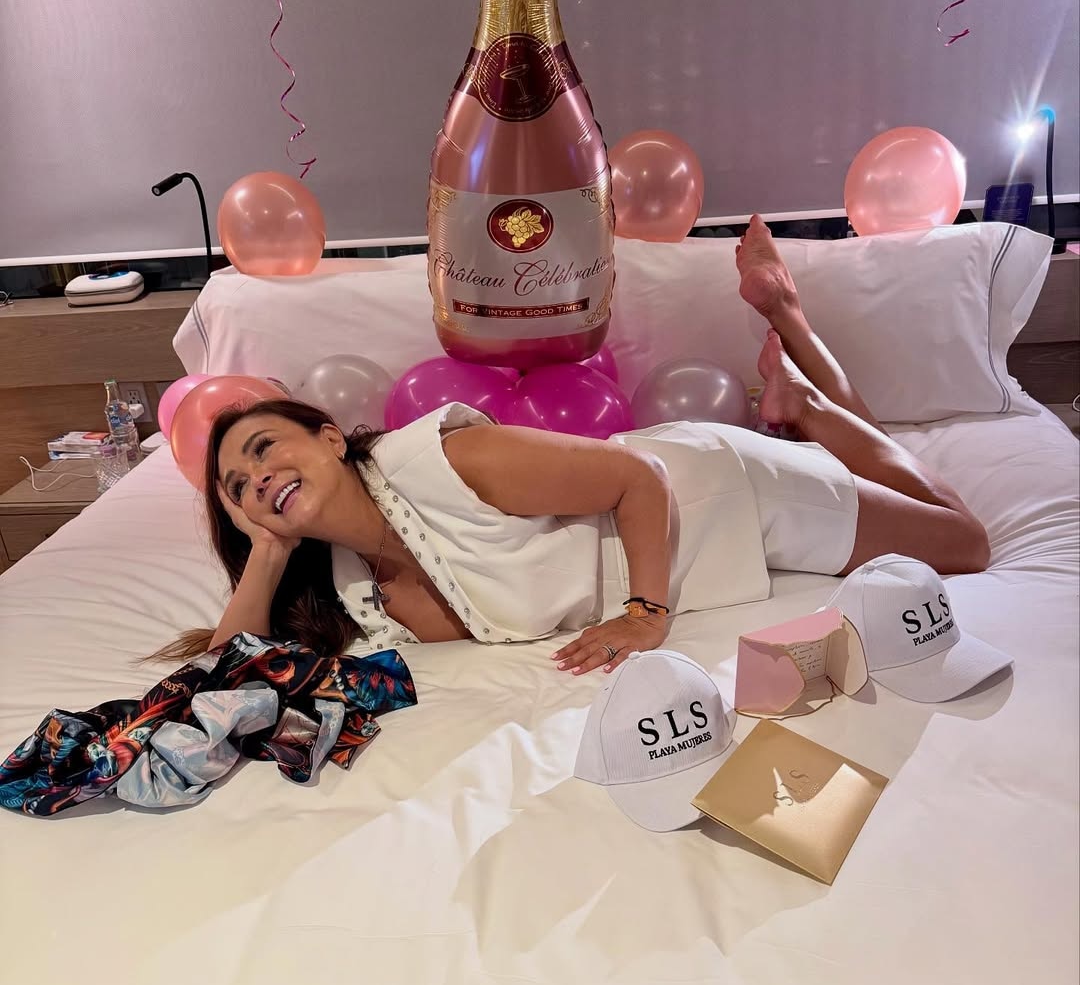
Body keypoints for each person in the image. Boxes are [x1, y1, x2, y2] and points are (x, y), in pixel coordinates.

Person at [165, 216, 989, 677]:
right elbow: (223, 674)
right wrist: (267, 552)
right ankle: (800, 390)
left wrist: (646, 615)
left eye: (264, 448)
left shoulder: (438, 461)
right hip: (697, 530)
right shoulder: (346, 587)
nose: (256, 477)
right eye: (236, 485)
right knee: (906, 505)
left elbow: (635, 475)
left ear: (329, 437)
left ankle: (800, 372)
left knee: (961, 538)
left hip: (716, 494)